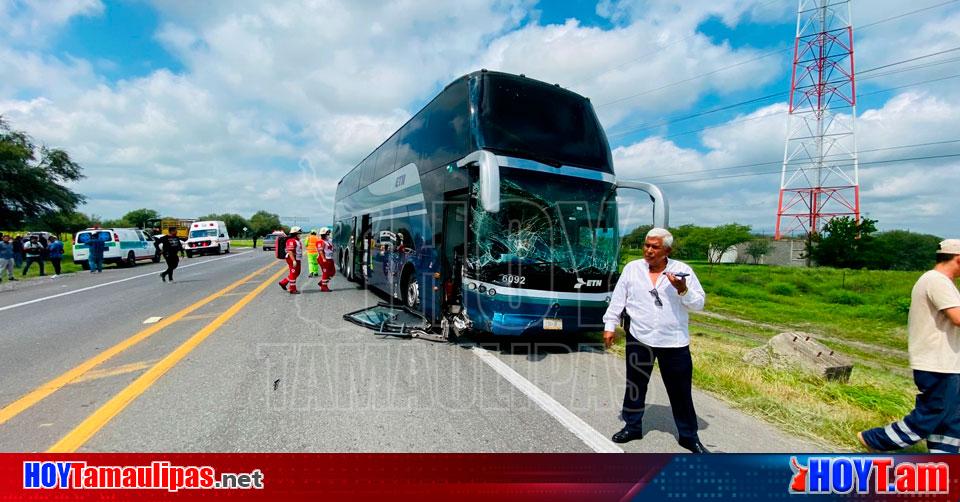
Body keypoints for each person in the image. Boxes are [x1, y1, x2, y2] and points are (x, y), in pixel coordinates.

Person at [602, 227, 709, 454]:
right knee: (635, 385)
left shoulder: (682, 271)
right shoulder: (632, 269)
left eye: (655, 247)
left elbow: (698, 303)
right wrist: (609, 326)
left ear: (667, 250)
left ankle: (689, 436)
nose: (649, 251)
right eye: (646, 245)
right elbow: (618, 299)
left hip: (674, 341)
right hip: (639, 337)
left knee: (680, 390)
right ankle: (632, 426)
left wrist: (683, 290)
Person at [859, 239, 960, 453]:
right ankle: (874, 439)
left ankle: (945, 462)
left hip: (947, 362)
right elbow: (957, 317)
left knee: (951, 420)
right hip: (937, 362)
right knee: (931, 415)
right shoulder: (936, 281)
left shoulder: (940, 282)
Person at [278, 226, 303, 294]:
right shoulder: (291, 241)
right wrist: (293, 260)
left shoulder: (297, 240)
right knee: (293, 273)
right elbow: (290, 251)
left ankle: (283, 282)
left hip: (297, 258)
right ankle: (292, 289)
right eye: (299, 233)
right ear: (295, 233)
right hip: (292, 258)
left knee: (297, 272)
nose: (300, 234)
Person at [317, 227, 336, 292]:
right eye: (327, 234)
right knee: (326, 272)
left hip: (330, 258)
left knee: (332, 272)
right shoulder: (320, 242)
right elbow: (320, 251)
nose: (328, 235)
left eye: (329, 234)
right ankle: (324, 287)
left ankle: (322, 282)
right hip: (324, 259)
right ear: (323, 235)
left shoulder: (329, 240)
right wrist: (323, 259)